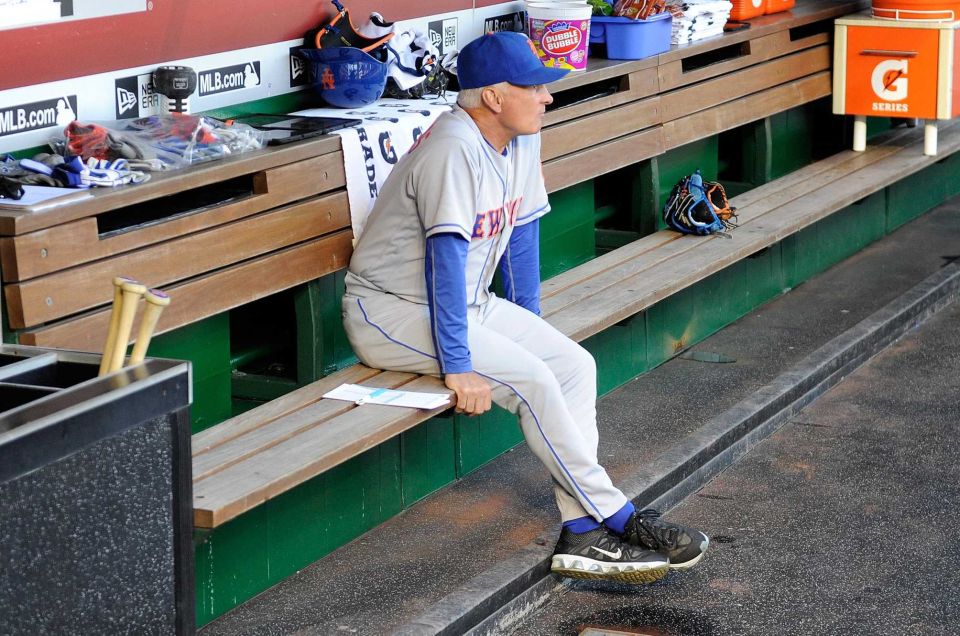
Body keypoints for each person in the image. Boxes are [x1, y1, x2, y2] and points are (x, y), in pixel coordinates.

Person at [342, 31, 709, 583]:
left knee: (572, 365)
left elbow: (520, 238)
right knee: (535, 381)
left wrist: (530, 329)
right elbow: (443, 264)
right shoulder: (453, 149)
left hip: (467, 303)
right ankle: (619, 517)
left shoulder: (520, 139)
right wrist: (460, 366)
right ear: (492, 96)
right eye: (534, 87)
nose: (548, 97)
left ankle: (582, 533)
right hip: (388, 311)